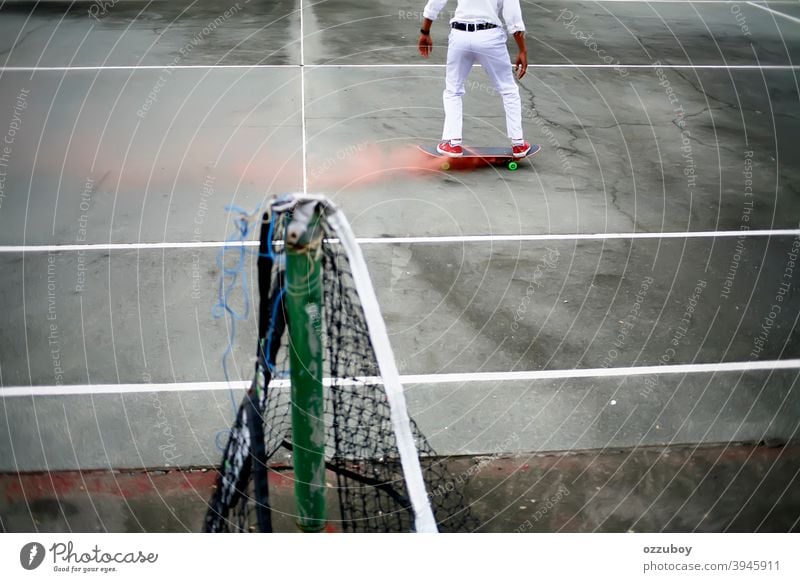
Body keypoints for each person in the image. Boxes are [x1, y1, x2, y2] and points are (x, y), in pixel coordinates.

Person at [418, 0, 531, 158]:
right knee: (508, 90)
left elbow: (436, 2)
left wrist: (425, 31)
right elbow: (513, 16)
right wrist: (522, 49)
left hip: (460, 36)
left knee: (453, 91)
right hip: (490, 36)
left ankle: (453, 144)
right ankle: (518, 144)